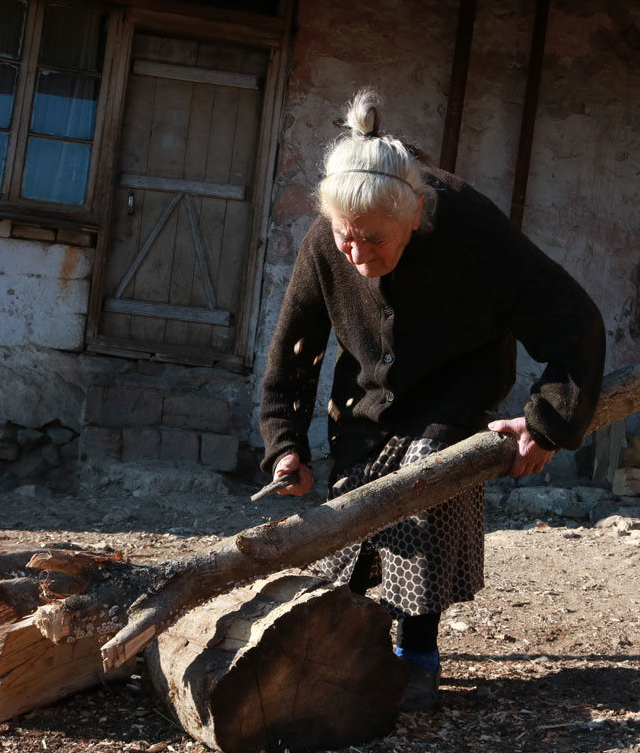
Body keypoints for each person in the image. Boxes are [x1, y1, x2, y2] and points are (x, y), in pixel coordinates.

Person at [259, 89, 605, 711]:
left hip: (456, 389)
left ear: (415, 215)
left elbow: (576, 324)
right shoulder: (325, 239)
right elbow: (295, 350)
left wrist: (547, 422)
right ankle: (352, 646)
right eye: (347, 240)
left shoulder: (476, 235)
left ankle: (416, 652)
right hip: (365, 399)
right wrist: (284, 444)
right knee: (350, 521)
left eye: (375, 242)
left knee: (423, 493)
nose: (358, 256)